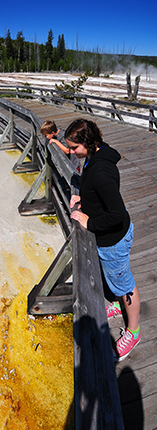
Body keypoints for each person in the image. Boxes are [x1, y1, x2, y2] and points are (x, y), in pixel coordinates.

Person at [66, 118, 140, 360]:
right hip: (112, 237)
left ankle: (134, 330)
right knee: (118, 280)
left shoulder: (101, 172)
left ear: (87, 143)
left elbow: (116, 214)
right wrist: (83, 200)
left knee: (125, 284)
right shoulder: (97, 154)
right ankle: (119, 304)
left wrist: (90, 223)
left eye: (74, 148)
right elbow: (97, 192)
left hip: (114, 240)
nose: (71, 152)